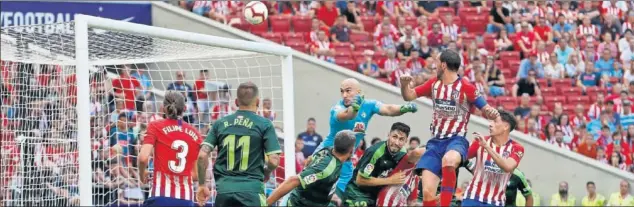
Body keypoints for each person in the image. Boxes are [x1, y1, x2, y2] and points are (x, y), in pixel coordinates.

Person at [400, 49, 500, 207]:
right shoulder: (433, 84)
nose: (434, 66)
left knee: (449, 160)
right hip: (435, 143)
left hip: (456, 140)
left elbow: (486, 109)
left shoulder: (466, 87)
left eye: (437, 62)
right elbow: (409, 96)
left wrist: (491, 112)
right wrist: (404, 85)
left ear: (444, 65)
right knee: (427, 192)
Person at [311, 78, 418, 201]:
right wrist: (354, 108)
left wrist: (403, 108)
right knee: (308, 187)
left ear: (358, 92)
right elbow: (346, 115)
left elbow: (388, 109)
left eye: (348, 91)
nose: (344, 95)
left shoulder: (369, 105)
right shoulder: (337, 108)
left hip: (346, 160)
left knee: (340, 197)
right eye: (342, 91)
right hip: (326, 154)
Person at [195, 82, 282, 206]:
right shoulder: (265, 124)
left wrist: (202, 184)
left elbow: (202, 156)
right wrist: (267, 172)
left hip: (224, 192)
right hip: (252, 192)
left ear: (236, 102)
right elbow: (274, 161)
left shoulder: (220, 123)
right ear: (257, 102)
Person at [137, 91, 203, 206]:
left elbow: (143, 158)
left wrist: (142, 174)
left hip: (160, 196)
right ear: (185, 108)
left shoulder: (155, 126)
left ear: (163, 108)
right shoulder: (196, 134)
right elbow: (196, 175)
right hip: (185, 199)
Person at [341, 122, 426, 207]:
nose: (396, 142)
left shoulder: (402, 153)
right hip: (357, 194)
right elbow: (360, 180)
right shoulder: (375, 152)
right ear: (388, 135)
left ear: (406, 141)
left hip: (374, 195)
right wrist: (390, 180)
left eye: (401, 139)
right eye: (394, 137)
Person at [265, 130, 356, 206]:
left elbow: (311, 165)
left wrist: (330, 195)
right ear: (351, 150)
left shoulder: (328, 150)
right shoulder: (327, 169)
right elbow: (294, 180)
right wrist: (267, 203)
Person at [463, 110, 525, 206]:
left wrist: (487, 147)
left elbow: (507, 167)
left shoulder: (517, 148)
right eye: (491, 121)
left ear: (506, 127)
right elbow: (462, 158)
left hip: (495, 202)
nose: (490, 124)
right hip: (472, 197)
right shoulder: (480, 141)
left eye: (495, 121)